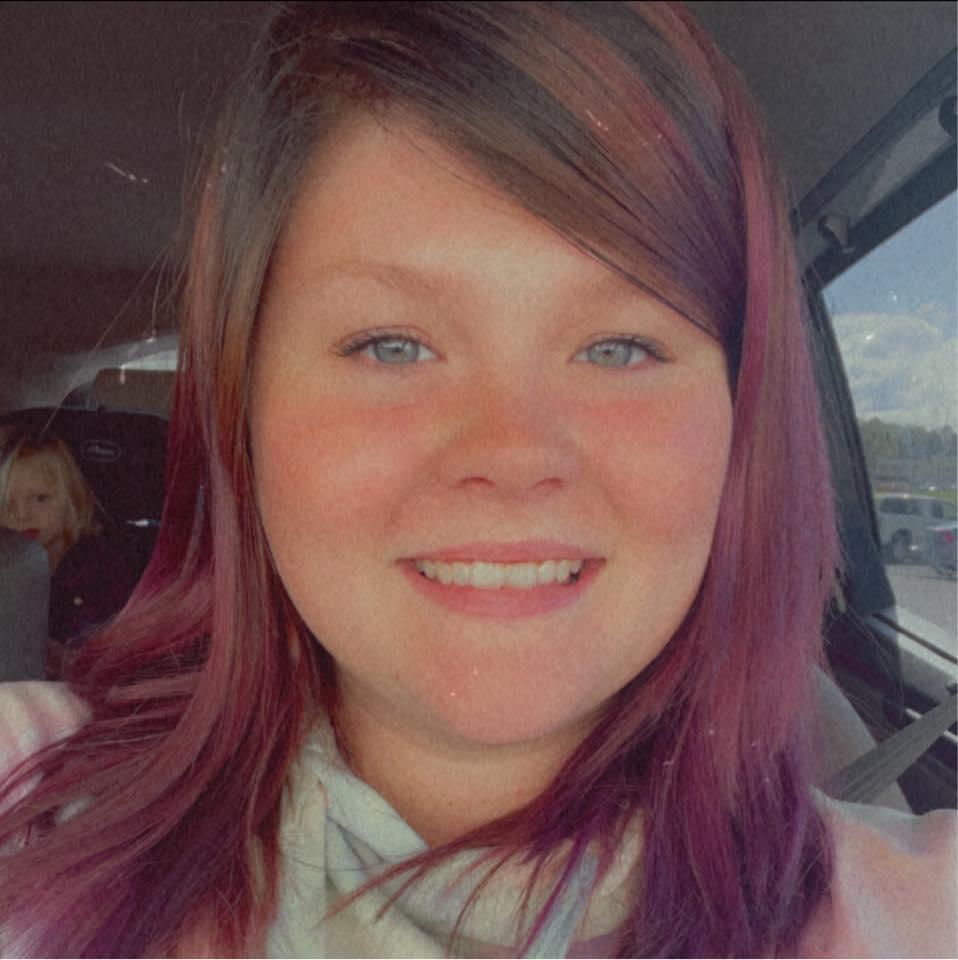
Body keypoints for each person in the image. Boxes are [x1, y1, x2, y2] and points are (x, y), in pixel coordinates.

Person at [0, 3, 954, 957]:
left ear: (743, 419)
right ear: (241, 410)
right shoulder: (27, 808)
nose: (512, 454)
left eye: (619, 347)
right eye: (392, 344)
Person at [0, 429, 138, 652]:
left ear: (72, 498)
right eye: (9, 503)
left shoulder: (100, 568)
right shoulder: (8, 564)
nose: (22, 515)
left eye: (40, 499)